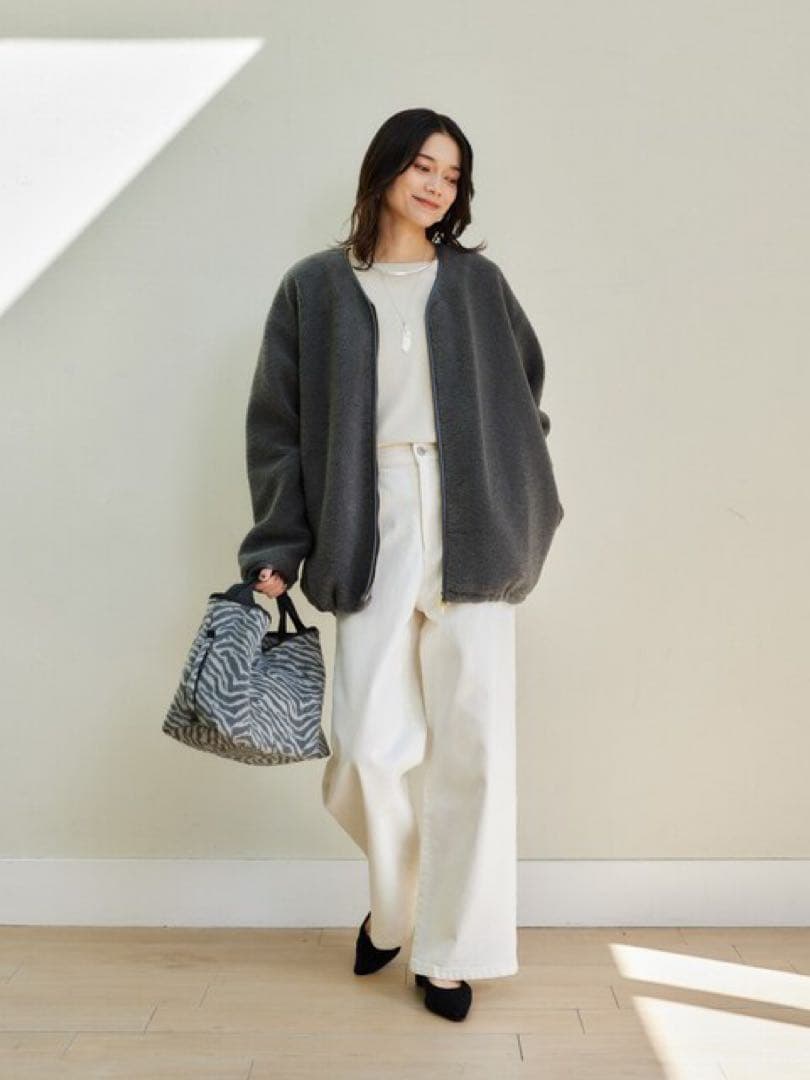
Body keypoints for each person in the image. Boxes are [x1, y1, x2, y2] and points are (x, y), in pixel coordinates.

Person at [239, 108, 564, 1022]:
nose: (435, 185)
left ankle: (452, 954)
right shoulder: (314, 287)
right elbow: (277, 430)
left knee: (475, 750)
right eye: (423, 165)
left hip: (475, 516)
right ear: (384, 168)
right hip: (368, 511)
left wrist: (519, 488)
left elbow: (526, 393)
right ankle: (395, 908)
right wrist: (278, 544)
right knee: (363, 748)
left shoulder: (479, 284)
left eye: (452, 175)